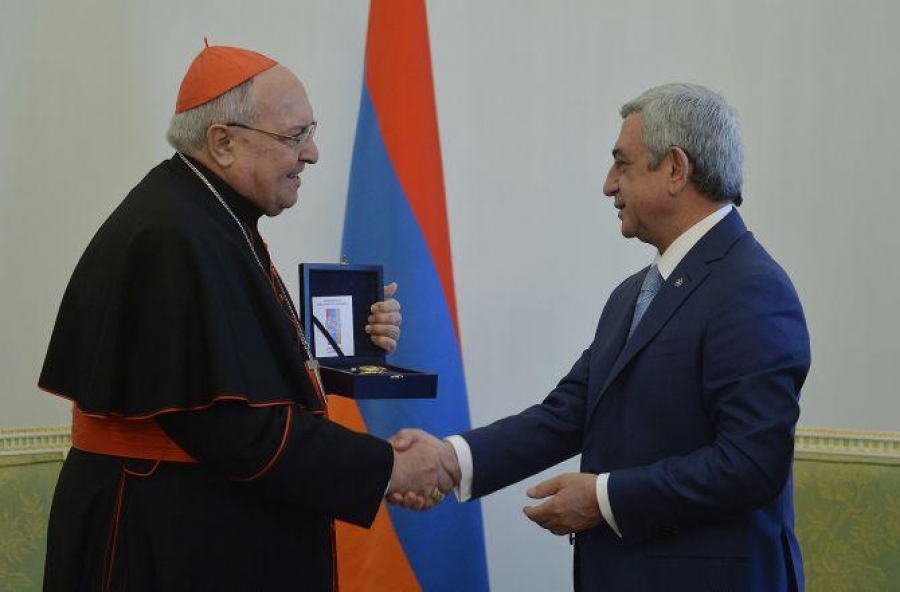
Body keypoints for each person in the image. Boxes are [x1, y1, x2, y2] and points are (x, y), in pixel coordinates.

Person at [38, 43, 453, 592]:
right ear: (223, 142)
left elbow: (233, 372)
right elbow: (235, 425)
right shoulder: (175, 234)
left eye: (312, 132)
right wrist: (386, 468)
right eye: (294, 136)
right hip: (165, 536)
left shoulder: (205, 216)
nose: (313, 154)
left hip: (192, 521)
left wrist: (346, 342)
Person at [392, 83, 811, 591]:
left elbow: (750, 464)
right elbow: (568, 412)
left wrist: (604, 499)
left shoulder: (752, 289)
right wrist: (450, 459)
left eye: (623, 165)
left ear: (675, 170)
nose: (608, 185)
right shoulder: (633, 293)